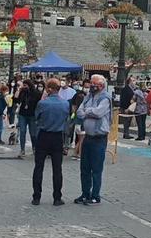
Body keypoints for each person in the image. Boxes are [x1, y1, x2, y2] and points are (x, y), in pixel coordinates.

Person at [32, 78, 70, 206]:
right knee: (57, 169)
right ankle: (57, 197)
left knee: (38, 167)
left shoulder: (43, 103)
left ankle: (36, 197)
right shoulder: (65, 103)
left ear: (48, 88)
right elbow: (66, 119)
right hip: (57, 136)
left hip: (44, 135)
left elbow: (37, 117)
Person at [75, 74, 111, 206]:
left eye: (94, 83)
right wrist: (89, 111)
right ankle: (85, 193)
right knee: (84, 167)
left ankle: (95, 195)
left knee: (96, 168)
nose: (91, 85)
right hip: (87, 136)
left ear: (101, 85)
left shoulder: (105, 98)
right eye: (91, 83)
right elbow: (79, 112)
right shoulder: (88, 96)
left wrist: (87, 111)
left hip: (99, 137)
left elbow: (99, 113)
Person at [16, 79, 42, 157]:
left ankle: (34, 147)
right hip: (22, 114)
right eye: (23, 85)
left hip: (32, 115)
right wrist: (18, 91)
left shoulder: (37, 93)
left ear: (29, 85)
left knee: (33, 133)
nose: (24, 87)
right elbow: (16, 100)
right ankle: (22, 149)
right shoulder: (22, 92)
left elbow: (39, 104)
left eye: (25, 85)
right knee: (22, 132)